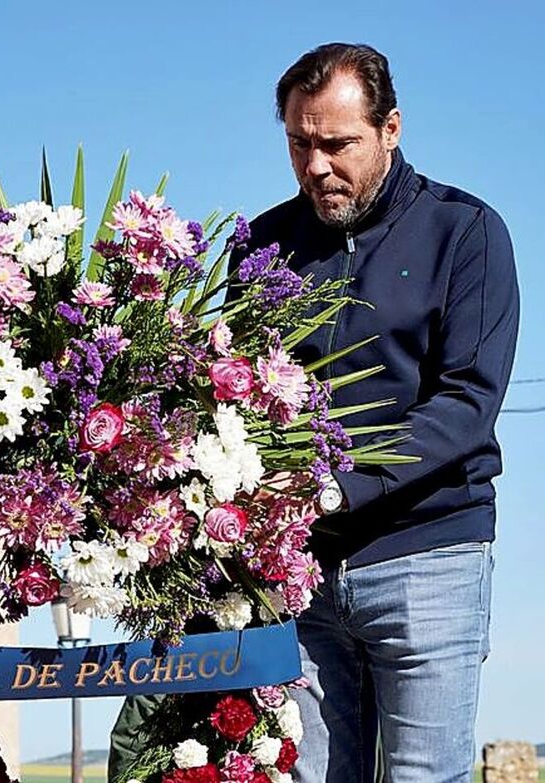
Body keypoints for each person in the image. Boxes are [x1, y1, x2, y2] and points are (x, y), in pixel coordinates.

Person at [251, 43, 519, 782]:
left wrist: (338, 481)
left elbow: (467, 400)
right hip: (298, 574)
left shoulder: (468, 233)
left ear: (391, 128)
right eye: (300, 144)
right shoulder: (263, 247)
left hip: (429, 558)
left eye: (338, 144)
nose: (316, 167)